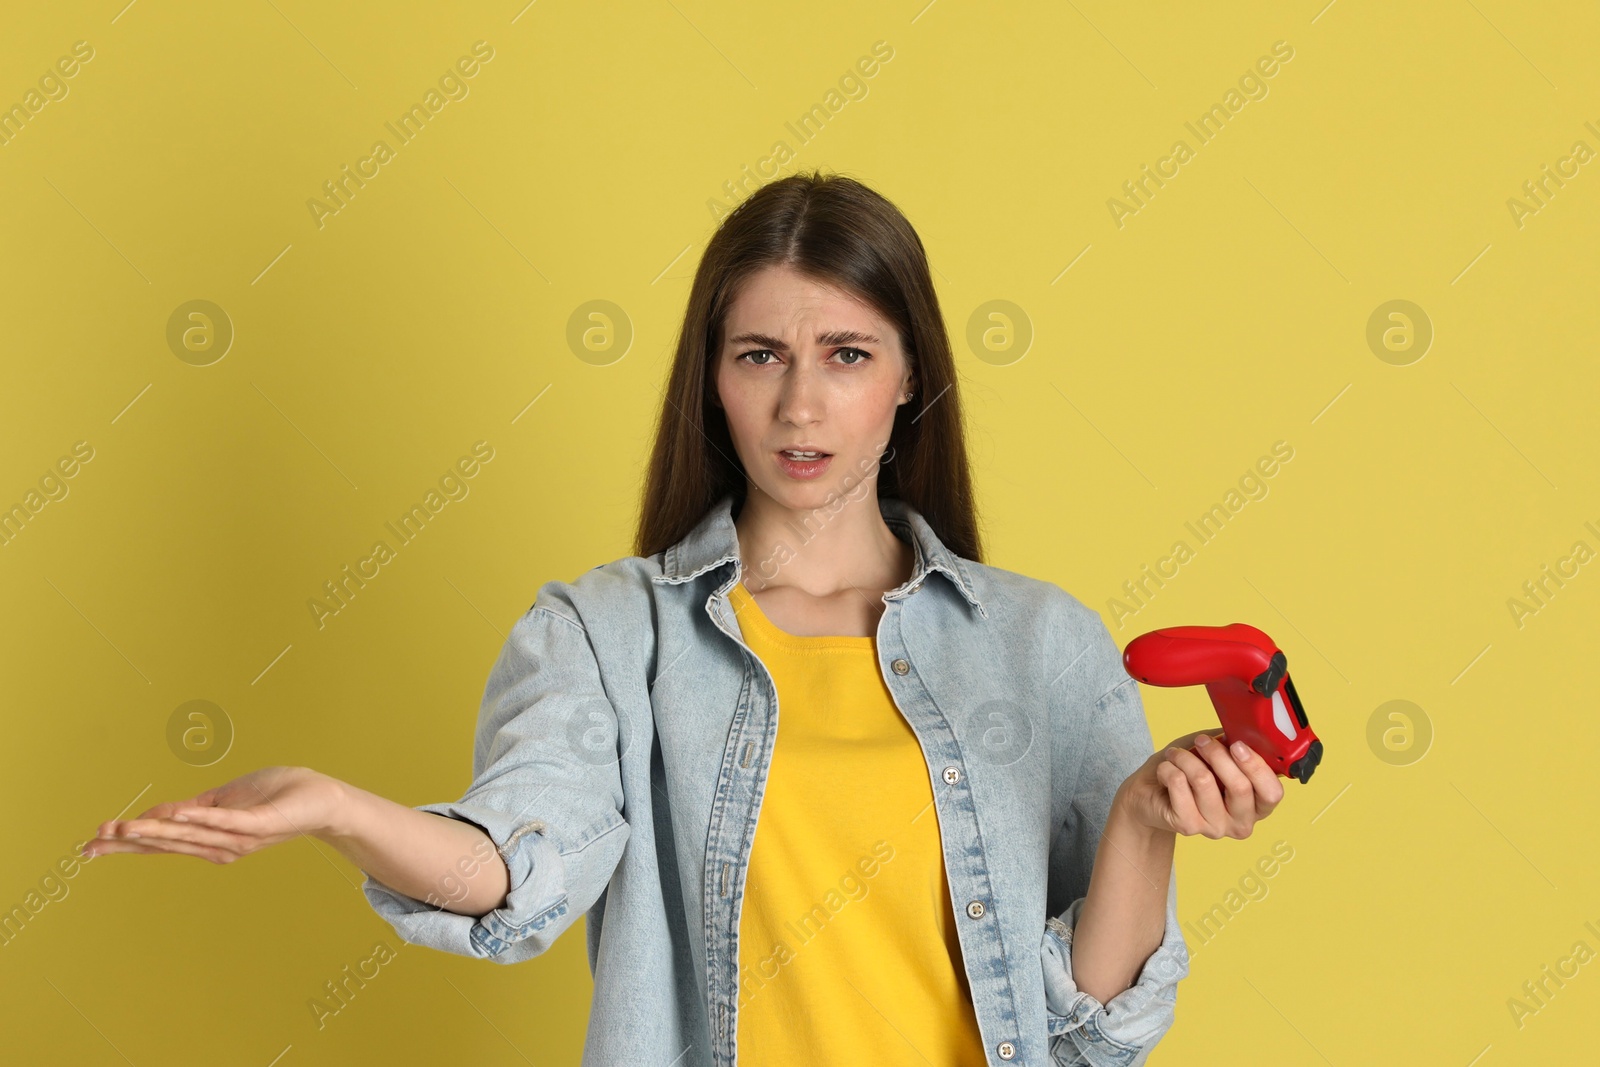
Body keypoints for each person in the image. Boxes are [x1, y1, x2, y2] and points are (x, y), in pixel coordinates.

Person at [83, 170, 1285, 1066]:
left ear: (910, 373)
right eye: (759, 353)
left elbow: (1090, 1027)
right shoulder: (609, 634)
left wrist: (1141, 823)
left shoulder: (1041, 646)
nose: (800, 401)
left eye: (848, 353)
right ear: (710, 375)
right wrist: (342, 808)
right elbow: (516, 873)